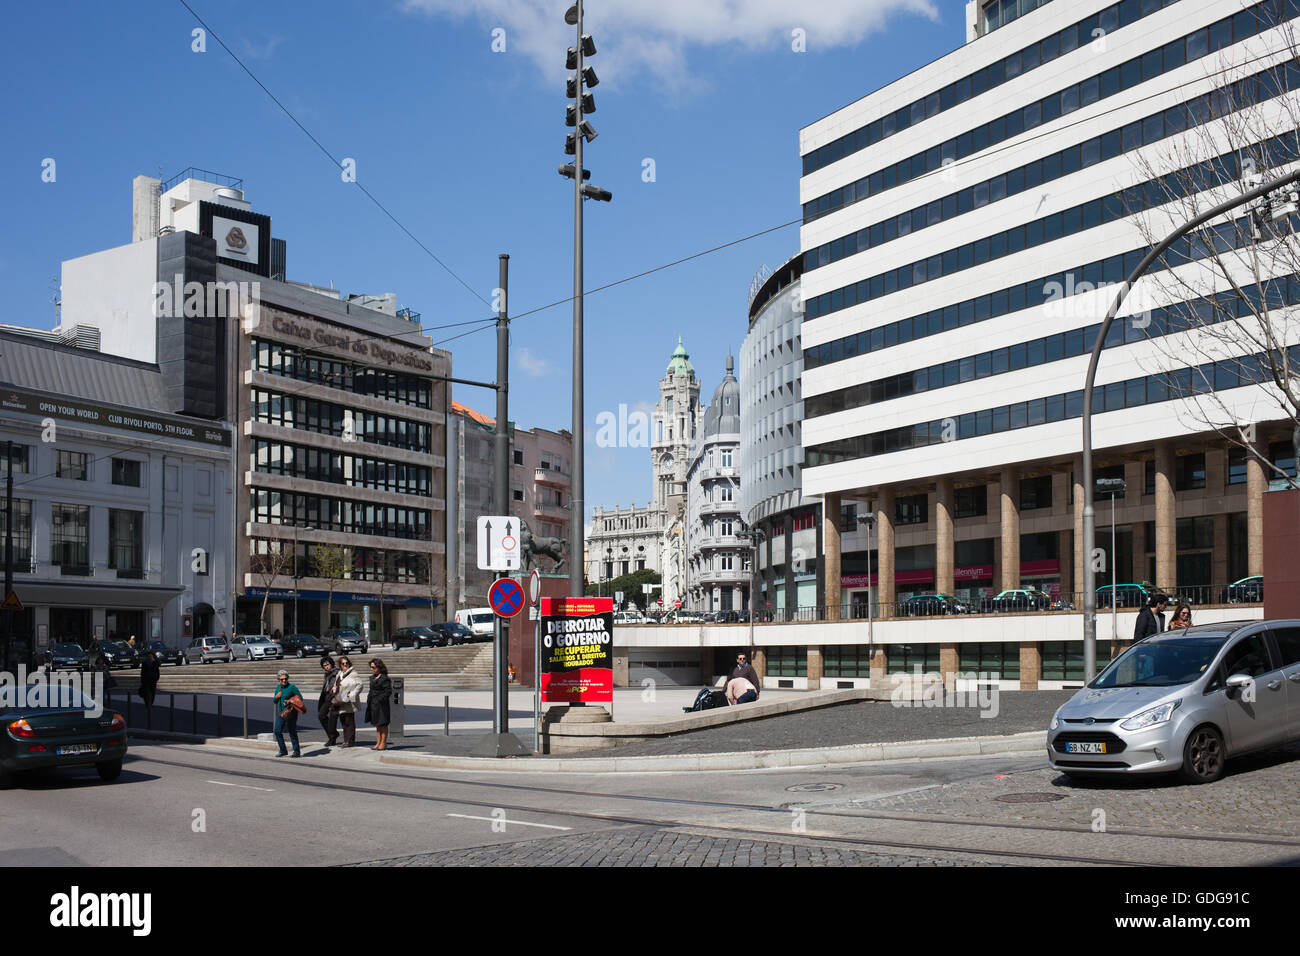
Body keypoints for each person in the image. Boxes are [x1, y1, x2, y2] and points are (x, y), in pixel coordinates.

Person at [332, 656, 364, 748]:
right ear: (340, 665)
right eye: (343, 663)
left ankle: (350, 741)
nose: (345, 665)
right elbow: (336, 684)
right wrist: (334, 688)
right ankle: (346, 740)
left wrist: (353, 694)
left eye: (347, 663)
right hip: (340, 700)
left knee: (349, 721)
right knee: (343, 721)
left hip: (349, 701)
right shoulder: (340, 674)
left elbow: (360, 685)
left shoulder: (353, 674)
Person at [272, 670, 303, 758]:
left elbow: (300, 698)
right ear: (279, 679)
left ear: (288, 678)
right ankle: (283, 750)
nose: (284, 681)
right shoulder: (278, 688)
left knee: (292, 731)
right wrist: (276, 697)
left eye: (285, 679)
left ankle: (296, 751)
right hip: (282, 713)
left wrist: (290, 701)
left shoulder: (292, 687)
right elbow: (274, 701)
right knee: (277, 731)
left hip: (291, 712)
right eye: (282, 679)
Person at [366, 658, 392, 750]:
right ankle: (378, 742)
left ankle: (383, 743)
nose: (372, 669)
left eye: (373, 667)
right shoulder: (372, 678)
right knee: (377, 724)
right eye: (371, 667)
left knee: (383, 724)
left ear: (379, 667)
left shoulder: (384, 678)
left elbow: (388, 691)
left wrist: (379, 699)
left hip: (382, 705)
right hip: (373, 704)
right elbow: (371, 690)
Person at [318, 656, 340, 747]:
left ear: (331, 663)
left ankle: (332, 738)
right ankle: (333, 734)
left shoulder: (337, 672)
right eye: (324, 665)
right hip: (327, 697)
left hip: (335, 697)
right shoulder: (327, 674)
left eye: (327, 664)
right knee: (321, 715)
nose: (326, 667)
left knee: (332, 719)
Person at [138, 652, 161, 726]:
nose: (150, 657)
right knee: (147, 692)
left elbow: (157, 671)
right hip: (146, 680)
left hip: (153, 680)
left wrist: (157, 678)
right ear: (147, 656)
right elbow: (142, 672)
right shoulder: (145, 663)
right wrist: (142, 680)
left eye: (151, 656)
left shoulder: (155, 662)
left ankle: (151, 703)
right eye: (149, 656)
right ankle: (148, 703)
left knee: (153, 692)